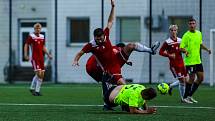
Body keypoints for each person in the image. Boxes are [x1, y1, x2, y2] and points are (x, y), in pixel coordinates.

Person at [73, 0, 159, 85]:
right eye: (97, 39)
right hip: (109, 67)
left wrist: (113, 7)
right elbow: (80, 53)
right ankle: (119, 91)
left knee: (131, 45)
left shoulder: (106, 34)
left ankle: (151, 50)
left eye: (101, 38)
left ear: (103, 35)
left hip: (116, 59)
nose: (99, 40)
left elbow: (110, 21)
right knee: (122, 83)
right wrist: (76, 60)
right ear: (94, 37)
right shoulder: (91, 45)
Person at [86, 41, 160, 83]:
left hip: (90, 68)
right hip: (95, 68)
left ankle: (107, 104)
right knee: (131, 46)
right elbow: (115, 52)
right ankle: (150, 50)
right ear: (121, 48)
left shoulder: (113, 52)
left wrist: (126, 61)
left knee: (109, 81)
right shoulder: (116, 49)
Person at [180, 18, 211, 103]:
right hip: (190, 61)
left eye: (193, 23)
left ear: (195, 24)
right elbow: (181, 48)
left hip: (198, 61)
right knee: (192, 78)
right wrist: (185, 51)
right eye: (190, 24)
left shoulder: (199, 33)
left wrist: (207, 49)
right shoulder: (186, 35)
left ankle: (189, 95)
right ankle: (185, 97)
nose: (192, 25)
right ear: (188, 25)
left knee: (201, 78)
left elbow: (200, 44)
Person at [159, 25, 190, 103]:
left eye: (175, 30)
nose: (173, 32)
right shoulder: (167, 42)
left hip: (182, 63)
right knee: (182, 81)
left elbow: (181, 49)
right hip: (174, 65)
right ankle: (183, 98)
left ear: (177, 31)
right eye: (172, 30)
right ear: (170, 31)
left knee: (186, 80)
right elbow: (160, 52)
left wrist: (185, 51)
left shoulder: (180, 40)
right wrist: (169, 55)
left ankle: (170, 86)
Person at [24, 23, 52, 96]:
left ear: (40, 29)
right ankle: (33, 88)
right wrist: (26, 54)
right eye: (36, 28)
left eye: (39, 28)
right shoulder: (31, 36)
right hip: (35, 58)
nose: (38, 29)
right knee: (39, 74)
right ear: (34, 29)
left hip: (41, 58)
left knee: (42, 75)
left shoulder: (42, 36)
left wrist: (48, 54)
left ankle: (36, 90)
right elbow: (26, 44)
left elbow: (43, 46)